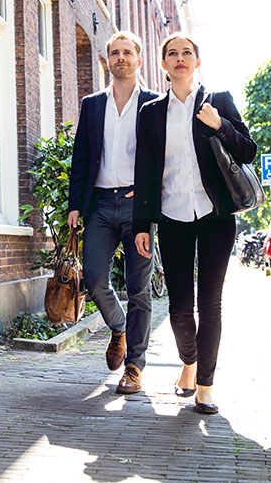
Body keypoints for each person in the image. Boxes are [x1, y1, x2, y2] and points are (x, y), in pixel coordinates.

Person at [133, 32, 257, 414]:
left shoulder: (218, 100)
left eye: (187, 52)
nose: (180, 58)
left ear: (197, 61)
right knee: (179, 309)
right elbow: (146, 170)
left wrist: (220, 124)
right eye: (172, 53)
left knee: (211, 303)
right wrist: (142, 224)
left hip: (216, 215)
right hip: (173, 217)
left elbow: (248, 149)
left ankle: (205, 385)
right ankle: (189, 361)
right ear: (163, 64)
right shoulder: (151, 112)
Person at [67, 31, 160, 394]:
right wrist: (76, 205)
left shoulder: (153, 103)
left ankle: (134, 366)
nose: (121, 58)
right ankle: (119, 327)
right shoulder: (92, 105)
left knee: (139, 288)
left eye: (127, 52)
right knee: (93, 277)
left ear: (138, 59)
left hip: (139, 208)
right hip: (102, 204)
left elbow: (163, 156)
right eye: (114, 53)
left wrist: (149, 193)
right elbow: (82, 159)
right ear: (107, 60)